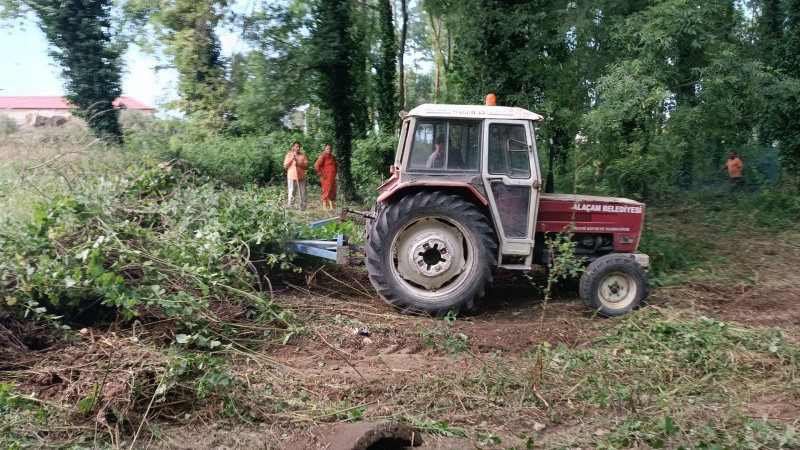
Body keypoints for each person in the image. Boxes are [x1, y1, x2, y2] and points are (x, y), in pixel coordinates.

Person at [283, 141, 309, 209]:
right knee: (291, 191)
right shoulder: (289, 155)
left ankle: (303, 207)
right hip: (291, 176)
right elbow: (285, 166)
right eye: (297, 147)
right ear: (293, 148)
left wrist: (300, 165)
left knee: (303, 191)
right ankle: (290, 206)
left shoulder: (303, 155)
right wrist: (291, 159)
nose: (298, 148)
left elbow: (307, 166)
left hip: (301, 176)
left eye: (299, 147)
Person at [314, 143, 338, 210]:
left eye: (330, 149)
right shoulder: (323, 157)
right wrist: (320, 173)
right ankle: (324, 207)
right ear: (325, 149)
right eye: (327, 148)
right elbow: (316, 165)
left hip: (332, 177)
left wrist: (335, 172)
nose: (329, 150)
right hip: (325, 177)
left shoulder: (333, 157)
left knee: (332, 191)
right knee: (326, 190)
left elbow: (336, 166)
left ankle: (331, 206)